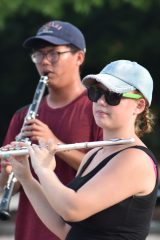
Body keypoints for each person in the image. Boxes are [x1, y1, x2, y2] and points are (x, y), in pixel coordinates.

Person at [8, 60, 159, 240]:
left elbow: (73, 209)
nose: (101, 101)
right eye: (96, 93)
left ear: (139, 105)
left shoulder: (136, 159)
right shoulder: (94, 154)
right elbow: (64, 228)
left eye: (113, 96)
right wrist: (26, 177)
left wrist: (44, 169)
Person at [0, 20, 102, 240]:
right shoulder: (23, 116)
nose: (45, 61)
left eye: (54, 53)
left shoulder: (98, 110)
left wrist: (54, 144)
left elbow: (106, 170)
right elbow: (12, 187)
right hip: (30, 231)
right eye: (39, 54)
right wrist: (9, 173)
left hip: (77, 232)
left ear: (79, 57)